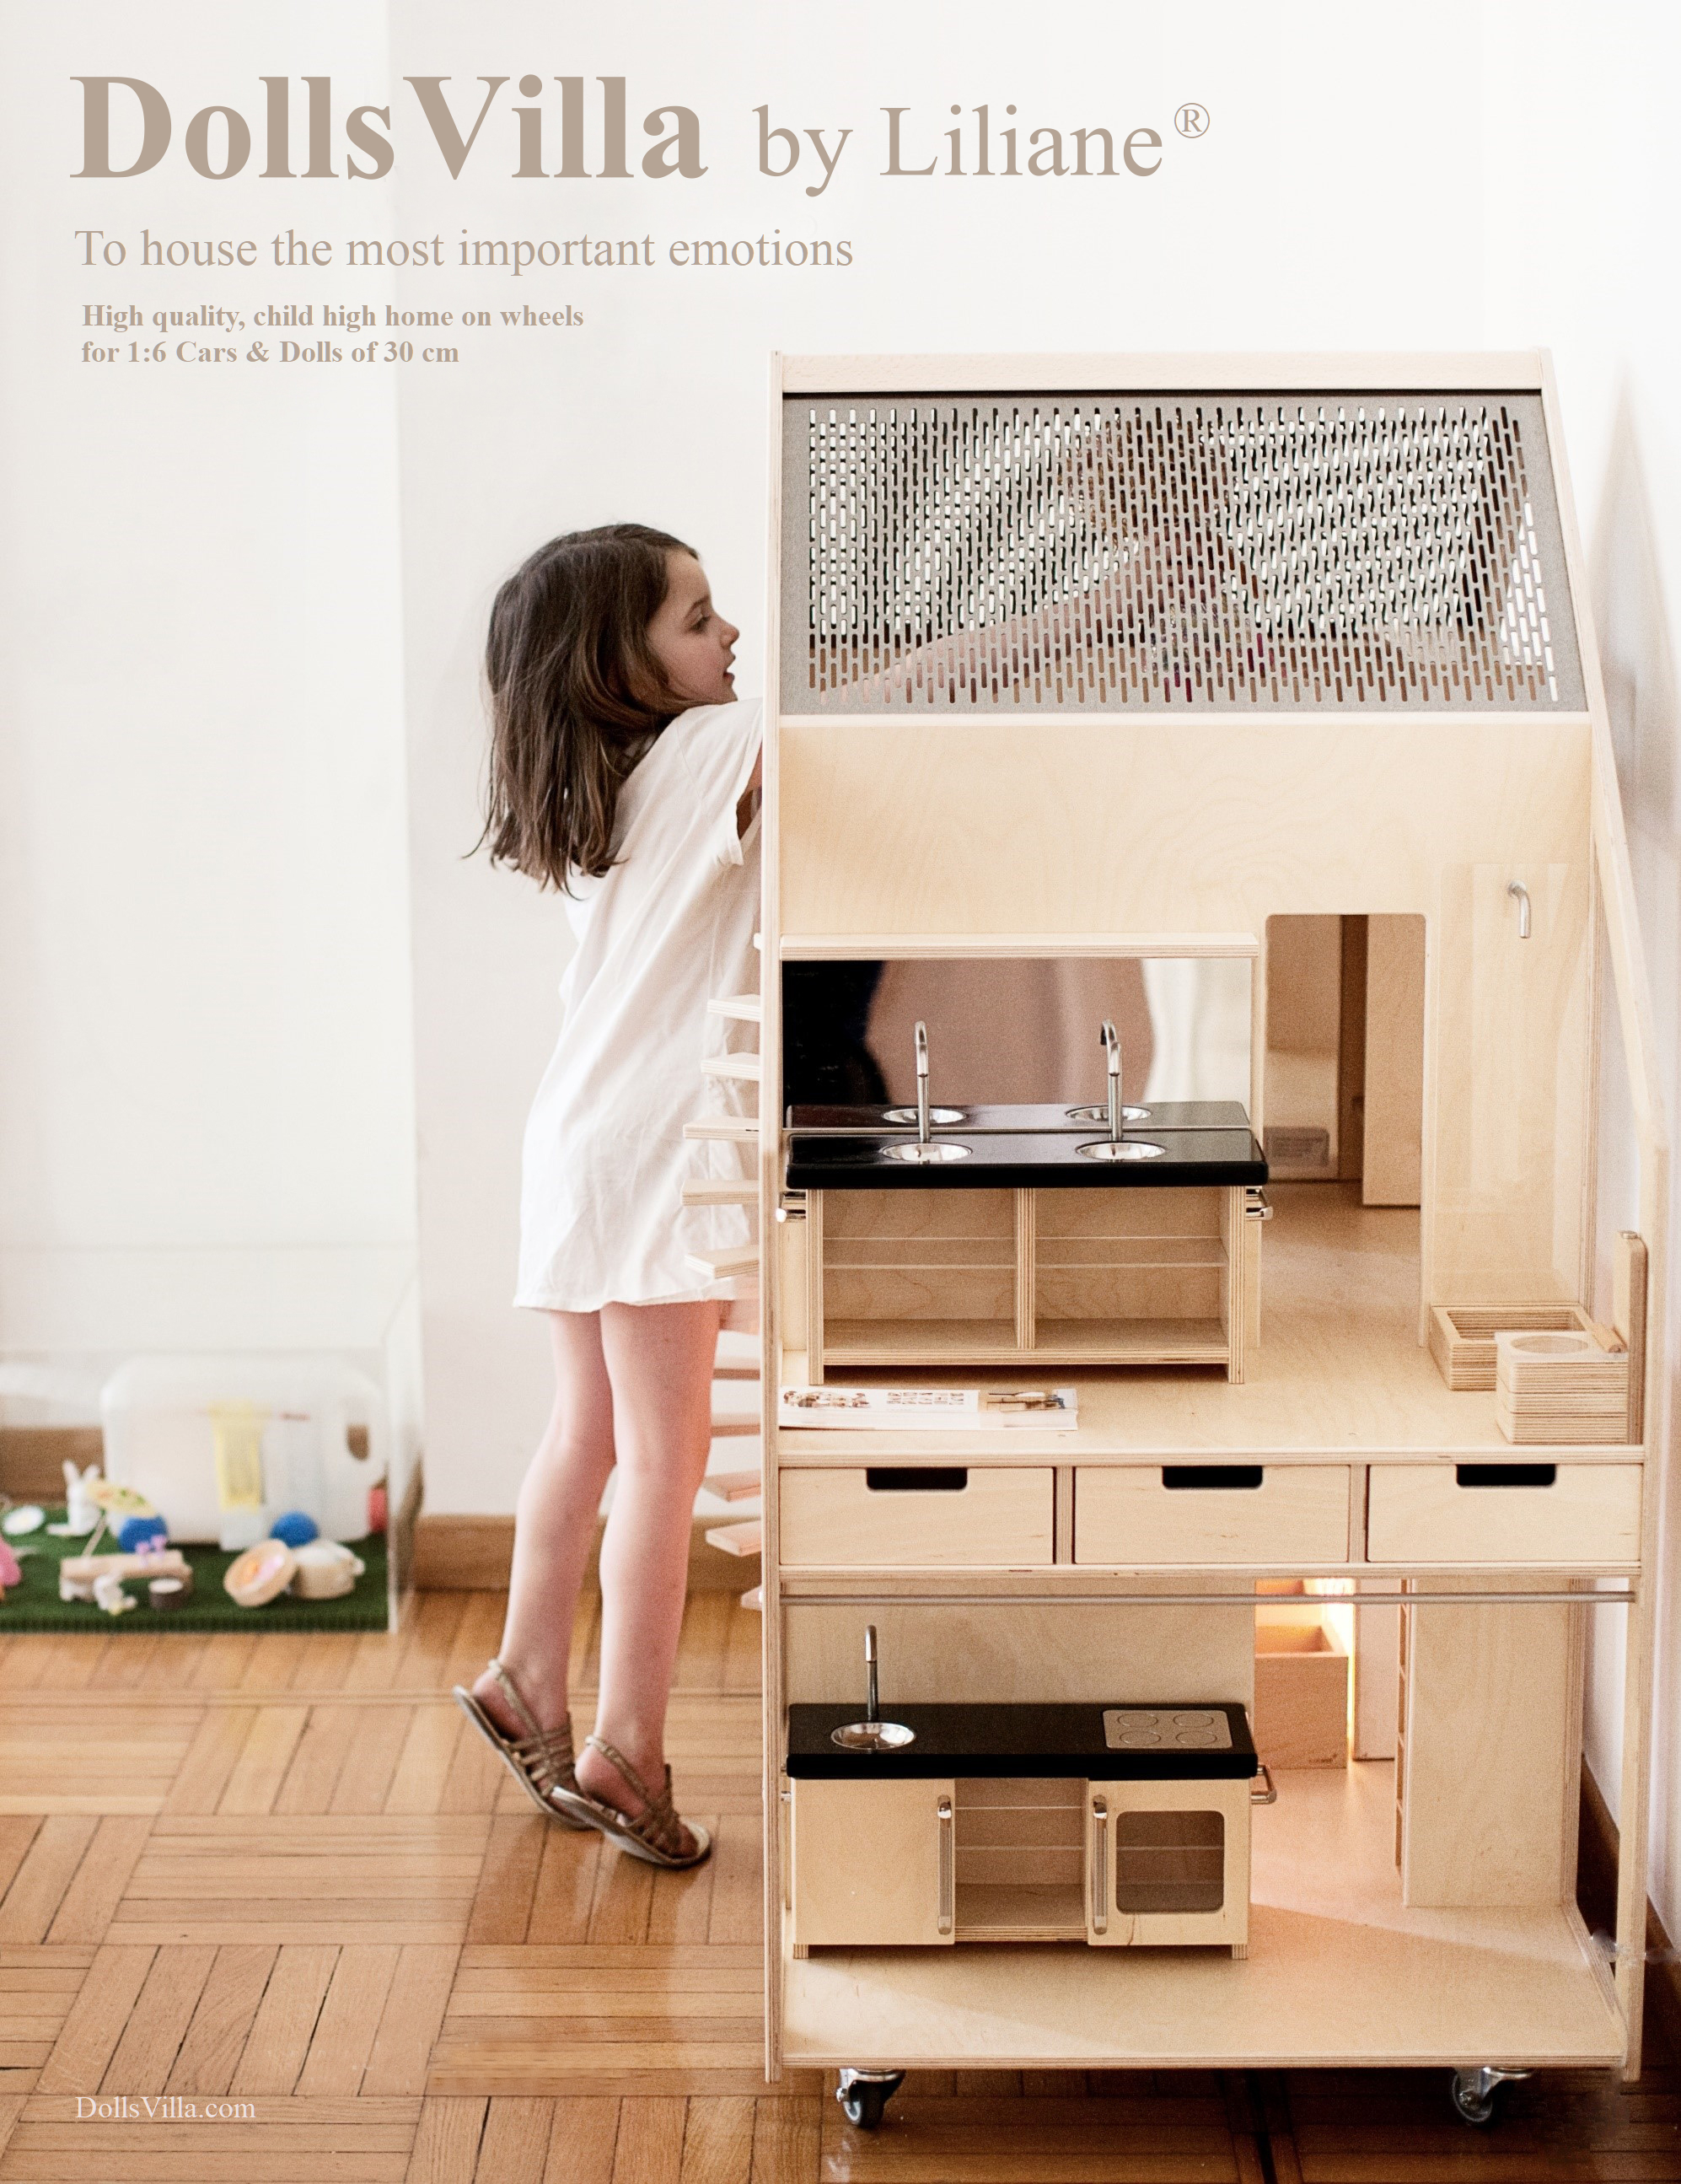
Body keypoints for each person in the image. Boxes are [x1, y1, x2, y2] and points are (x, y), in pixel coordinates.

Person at [453, 523, 760, 1869]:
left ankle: (528, 1673)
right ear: (618, 668)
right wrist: (1068, 626)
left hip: (581, 1137)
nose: (731, 635)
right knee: (663, 1460)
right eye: (698, 619)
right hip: (654, 1148)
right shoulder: (702, 754)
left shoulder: (602, 788)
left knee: (586, 1431)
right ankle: (626, 1752)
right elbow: (862, 709)